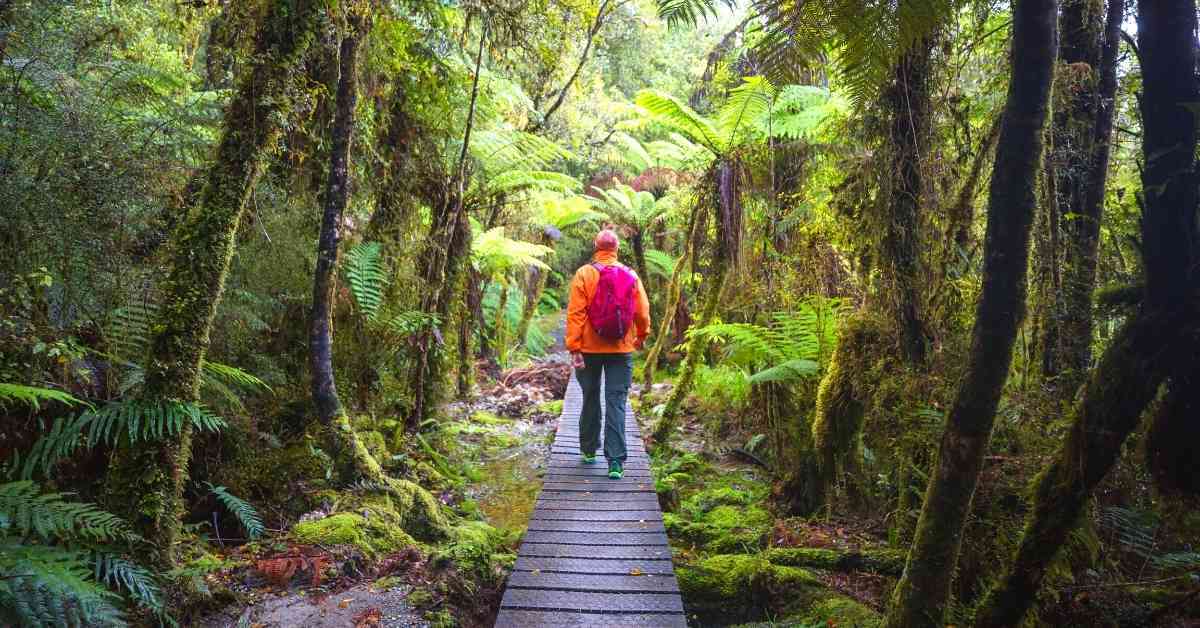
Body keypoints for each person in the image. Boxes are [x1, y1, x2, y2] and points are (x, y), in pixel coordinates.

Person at [565, 229, 651, 479]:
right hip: (621, 350)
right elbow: (643, 312)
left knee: (590, 397)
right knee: (616, 402)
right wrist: (641, 336)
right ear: (617, 248)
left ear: (596, 246)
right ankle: (615, 462)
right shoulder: (630, 274)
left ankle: (589, 450)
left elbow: (575, 314)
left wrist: (574, 348)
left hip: (589, 350)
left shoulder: (584, 274)